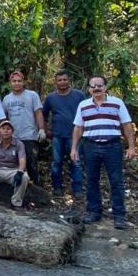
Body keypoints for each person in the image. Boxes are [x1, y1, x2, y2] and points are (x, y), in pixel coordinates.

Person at [71, 75, 137, 230]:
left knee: (116, 181)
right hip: (90, 146)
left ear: (105, 87)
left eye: (100, 85)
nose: (96, 88)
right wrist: (74, 148)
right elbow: (78, 128)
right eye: (93, 86)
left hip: (112, 146)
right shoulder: (83, 105)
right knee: (92, 180)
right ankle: (94, 212)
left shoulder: (117, 103)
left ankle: (119, 216)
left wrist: (131, 147)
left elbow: (127, 125)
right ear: (89, 89)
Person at [42, 69, 87, 198]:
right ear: (55, 82)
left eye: (65, 80)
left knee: (76, 162)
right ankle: (57, 188)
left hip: (75, 136)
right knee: (56, 162)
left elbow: (86, 113)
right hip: (57, 136)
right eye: (59, 80)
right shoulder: (51, 97)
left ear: (69, 81)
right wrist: (46, 130)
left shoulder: (79, 95)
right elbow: (43, 115)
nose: (62, 82)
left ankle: (77, 189)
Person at [2, 71, 46, 186]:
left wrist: (41, 129)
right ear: (10, 83)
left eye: (19, 81)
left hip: (29, 135)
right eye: (14, 81)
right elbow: (4, 118)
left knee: (31, 163)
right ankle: (17, 189)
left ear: (24, 82)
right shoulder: (7, 99)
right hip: (13, 137)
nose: (17, 83)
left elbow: (38, 113)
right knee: (14, 164)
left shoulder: (32, 95)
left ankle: (36, 188)